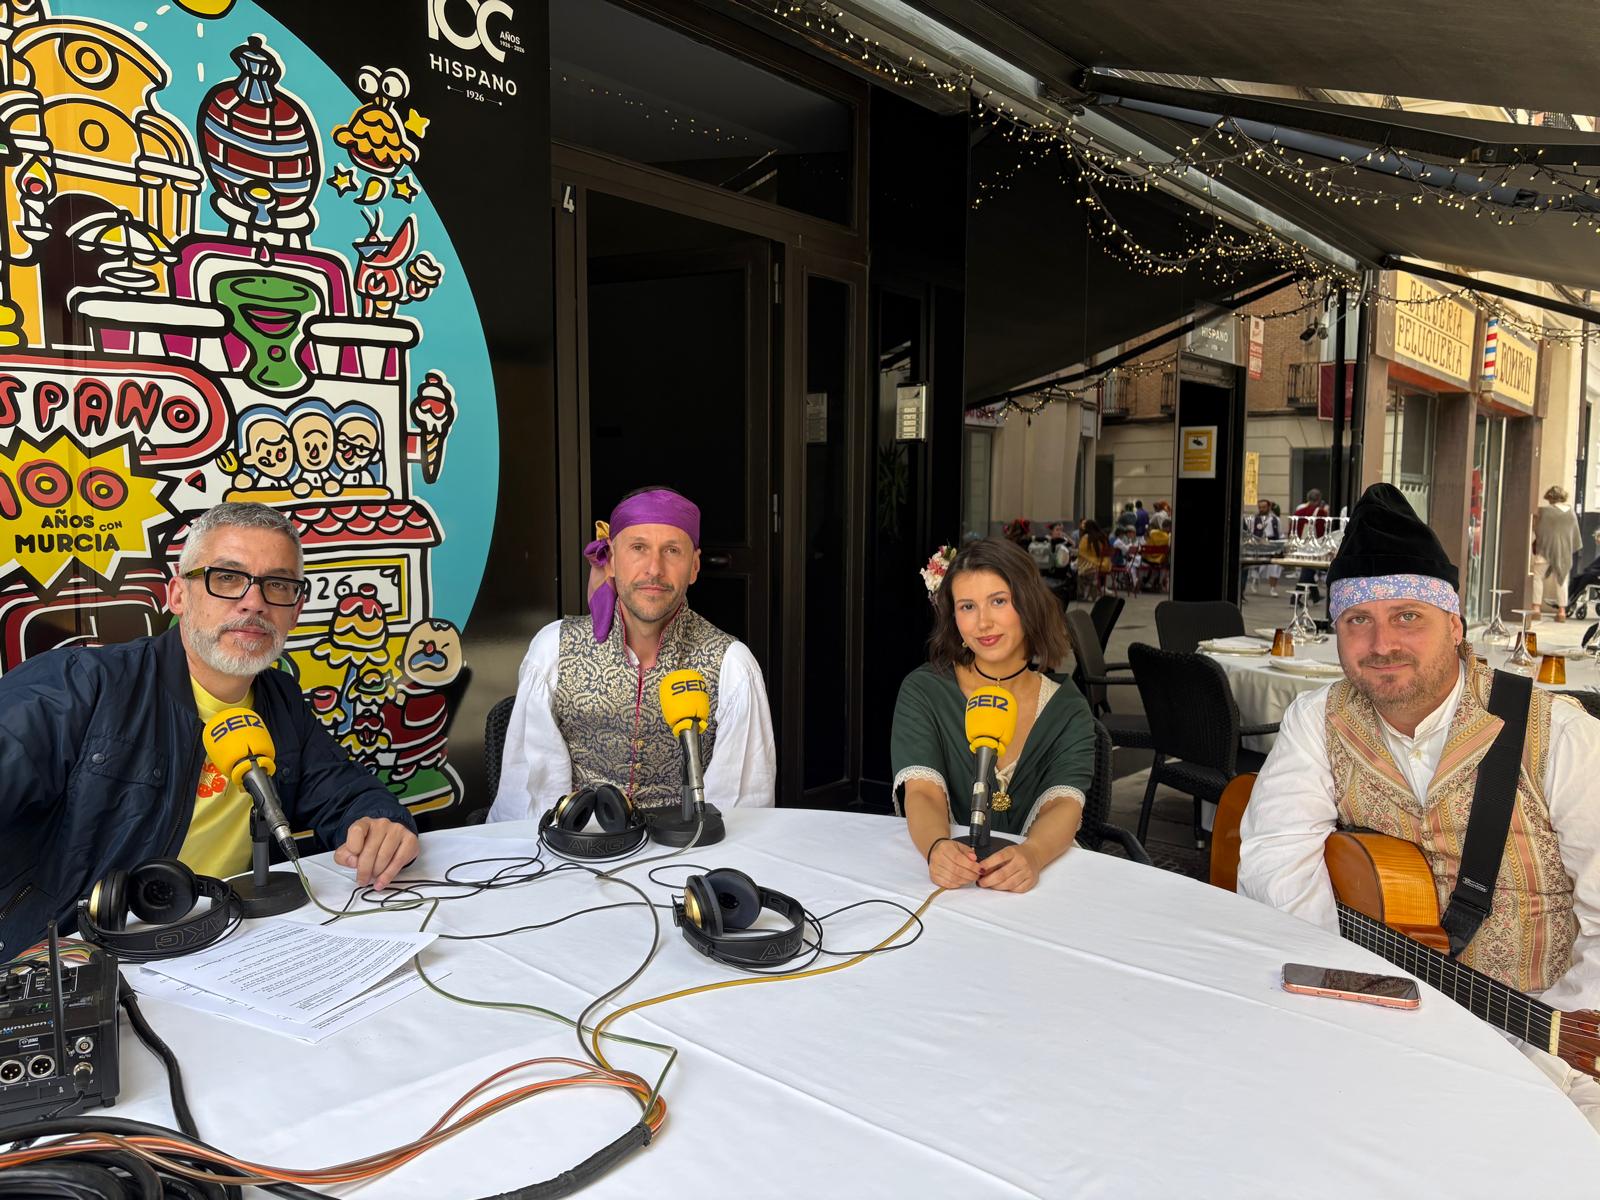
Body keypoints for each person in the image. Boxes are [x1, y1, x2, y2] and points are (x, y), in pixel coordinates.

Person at [1237, 483, 1600, 1129]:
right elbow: (1275, 857)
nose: (1382, 643)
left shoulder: (1558, 734)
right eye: (1358, 620)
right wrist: (1352, 984)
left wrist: (1554, 1048)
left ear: (1455, 626)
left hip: (1543, 1028)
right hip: (1377, 1011)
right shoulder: (1317, 719)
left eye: (1408, 616)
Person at [0, 502, 419, 959]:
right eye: (226, 577)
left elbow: (346, 792)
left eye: (277, 584)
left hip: (230, 943)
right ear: (178, 595)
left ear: (294, 612)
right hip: (74, 955)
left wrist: (381, 823)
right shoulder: (78, 685)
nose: (254, 601)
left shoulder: (280, 701)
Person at [490, 486, 776, 823]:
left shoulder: (733, 666)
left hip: (684, 858)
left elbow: (739, 811)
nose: (654, 568)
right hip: (576, 853)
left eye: (672, 550)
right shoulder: (553, 651)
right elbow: (528, 798)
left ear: (694, 566)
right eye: (638, 548)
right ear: (610, 559)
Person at [891, 537, 1094, 894]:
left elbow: (1065, 802)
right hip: (953, 885)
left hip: (1041, 882)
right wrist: (937, 848)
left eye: (998, 601)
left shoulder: (1066, 707)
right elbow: (922, 792)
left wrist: (1032, 855)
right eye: (967, 606)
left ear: (1029, 605)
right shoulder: (925, 691)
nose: (983, 622)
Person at [1532, 485, 1581, 622]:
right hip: (1563, 551)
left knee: (1537, 577)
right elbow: (1574, 534)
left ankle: (1536, 608)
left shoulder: (1544, 512)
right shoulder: (1571, 513)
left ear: (1550, 497)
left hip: (1545, 549)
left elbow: (1537, 529)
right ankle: (1562, 611)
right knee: (1562, 579)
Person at [1292, 487, 1329, 602]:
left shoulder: (1299, 511)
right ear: (1319, 499)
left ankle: (1315, 596)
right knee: (1308, 570)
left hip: (1301, 544)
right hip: (1314, 545)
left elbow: (1293, 529)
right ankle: (1294, 598)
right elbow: (1322, 532)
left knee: (1308, 569)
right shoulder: (1321, 512)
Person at [1246, 498, 1283, 597]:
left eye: (1264, 507)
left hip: (1272, 544)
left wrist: (1280, 546)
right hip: (1259, 544)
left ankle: (1273, 588)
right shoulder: (1254, 519)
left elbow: (1280, 534)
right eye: (1260, 507)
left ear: (1269, 507)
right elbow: (1249, 533)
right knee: (1257, 564)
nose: (1261, 509)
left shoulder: (1276, 520)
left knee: (1275, 566)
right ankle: (1255, 580)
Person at [1075, 519, 1114, 598]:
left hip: (1092, 564)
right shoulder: (1103, 536)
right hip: (1105, 564)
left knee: (1077, 569)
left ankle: (1082, 593)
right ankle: (1098, 589)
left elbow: (1081, 553)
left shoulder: (1086, 538)